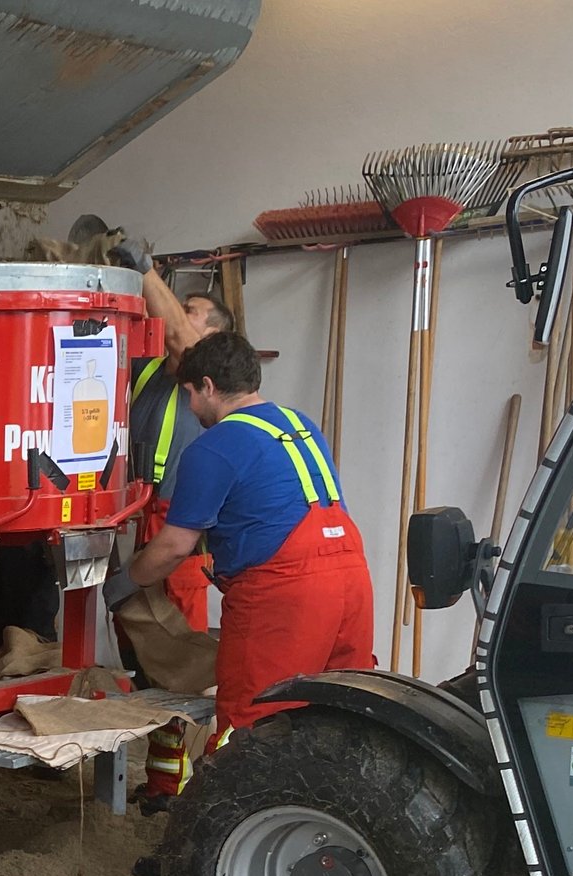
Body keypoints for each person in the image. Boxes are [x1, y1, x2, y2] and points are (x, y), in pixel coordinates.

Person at [107, 332, 375, 745]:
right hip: (351, 577)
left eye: (190, 394)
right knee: (339, 717)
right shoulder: (300, 425)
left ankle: (247, 811)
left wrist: (126, 582)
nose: (190, 407)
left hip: (286, 592)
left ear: (209, 387)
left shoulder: (213, 446)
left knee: (252, 727)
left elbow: (175, 544)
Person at [110, 243, 232, 805]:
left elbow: (184, 335)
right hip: (137, 509)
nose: (178, 314)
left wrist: (143, 271)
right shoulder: (155, 368)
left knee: (175, 659)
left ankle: (186, 788)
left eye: (193, 310)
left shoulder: (206, 362)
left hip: (178, 526)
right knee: (141, 654)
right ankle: (162, 783)